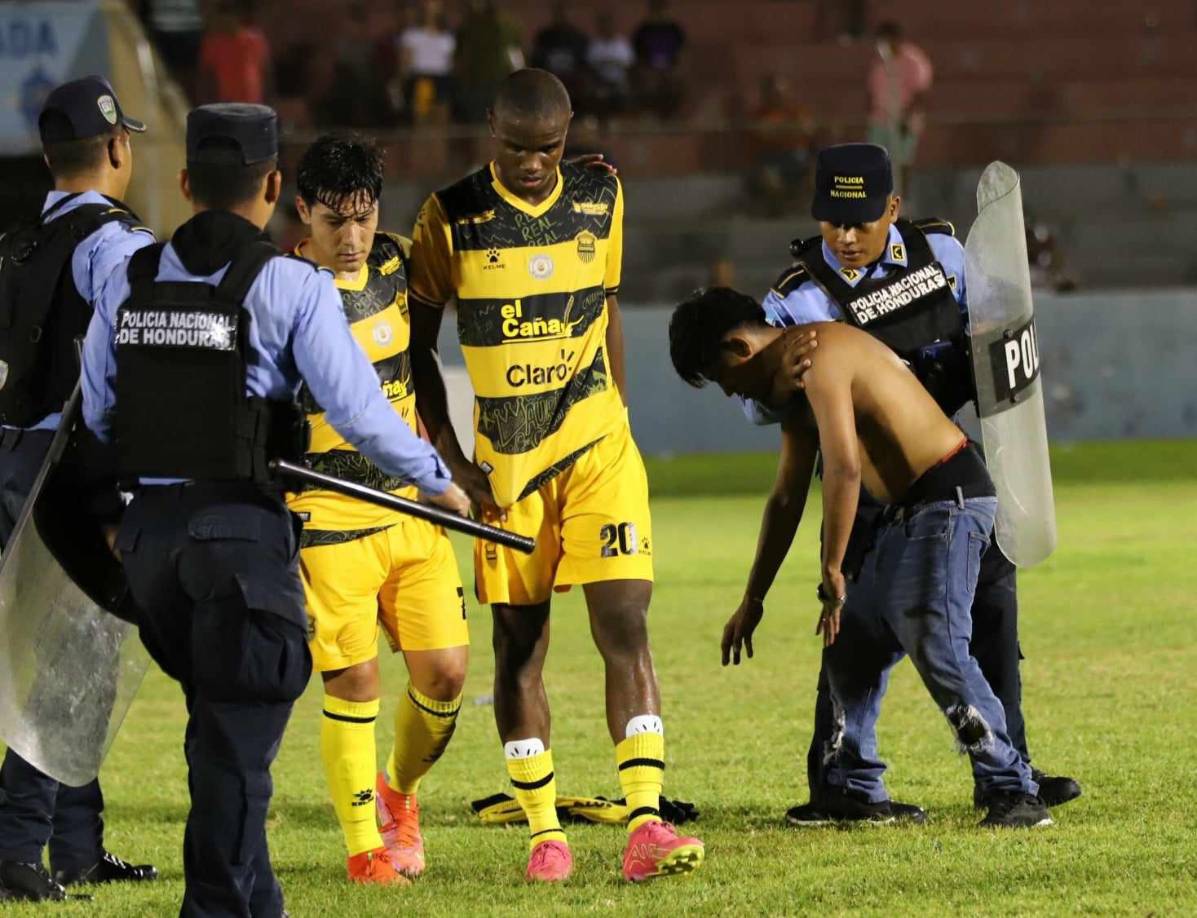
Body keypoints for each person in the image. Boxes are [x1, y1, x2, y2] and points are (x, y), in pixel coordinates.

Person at [80, 102, 469, 916]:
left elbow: (99, 410)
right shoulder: (290, 284)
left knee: (216, 734)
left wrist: (123, 517)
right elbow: (358, 411)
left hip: (152, 545)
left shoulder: (129, 277)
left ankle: (258, 902)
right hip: (240, 538)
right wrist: (437, 478)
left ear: (186, 183)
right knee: (237, 746)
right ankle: (221, 907)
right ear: (272, 188)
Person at [406, 68, 704, 884]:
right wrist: (451, 462)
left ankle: (645, 822)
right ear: (489, 130)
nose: (534, 163)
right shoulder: (449, 215)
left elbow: (605, 306)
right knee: (518, 647)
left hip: (598, 449)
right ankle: (545, 834)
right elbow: (415, 349)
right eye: (516, 148)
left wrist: (621, 415)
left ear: (568, 133)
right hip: (506, 471)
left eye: (548, 147)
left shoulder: (602, 196)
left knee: (625, 624)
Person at [750, 143, 1081, 823]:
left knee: (992, 614)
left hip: (947, 468)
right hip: (868, 484)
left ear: (893, 208)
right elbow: (767, 408)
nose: (845, 237)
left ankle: (1013, 765)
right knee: (852, 629)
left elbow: (994, 350)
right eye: (832, 221)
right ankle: (840, 782)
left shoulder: (945, 256)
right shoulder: (795, 298)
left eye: (861, 221)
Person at [669, 288, 1053, 829]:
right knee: (854, 641)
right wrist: (753, 599)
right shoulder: (792, 380)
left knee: (935, 639)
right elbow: (786, 497)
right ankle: (849, 789)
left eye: (721, 378)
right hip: (905, 513)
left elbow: (844, 467)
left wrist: (832, 569)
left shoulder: (820, 355)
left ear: (739, 348)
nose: (731, 392)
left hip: (948, 498)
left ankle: (1013, 789)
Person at [289, 134, 469, 885]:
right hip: (327, 515)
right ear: (302, 212)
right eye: (335, 221)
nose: (353, 237)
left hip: (409, 510)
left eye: (363, 217)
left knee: (446, 675)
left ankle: (398, 794)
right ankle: (365, 849)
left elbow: (478, 244)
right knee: (354, 682)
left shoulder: (397, 261)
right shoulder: (282, 288)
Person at [0, 75, 158, 903]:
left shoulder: (19, 243)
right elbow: (126, 376)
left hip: (11, 460)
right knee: (70, 659)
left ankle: (77, 846)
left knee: (62, 652)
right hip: (73, 470)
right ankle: (19, 847)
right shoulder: (117, 246)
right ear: (119, 147)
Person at [867, 22, 932, 197]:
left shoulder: (913, 61)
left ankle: (903, 199)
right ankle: (880, 199)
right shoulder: (879, 63)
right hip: (881, 119)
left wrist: (905, 117)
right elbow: (873, 92)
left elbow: (921, 93)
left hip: (905, 120)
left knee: (903, 161)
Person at [197, 0, 272, 105]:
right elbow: (206, 76)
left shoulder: (255, 39)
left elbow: (265, 70)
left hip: (254, 101)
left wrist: (269, 99)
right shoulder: (213, 43)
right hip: (227, 103)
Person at [395, 0, 456, 124]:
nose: (432, 8)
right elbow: (405, 62)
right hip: (422, 79)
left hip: (442, 79)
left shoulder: (447, 36)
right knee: (422, 121)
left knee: (441, 121)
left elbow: (450, 61)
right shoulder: (412, 34)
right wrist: (400, 83)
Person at [530, 2, 592, 111]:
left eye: (564, 13)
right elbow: (537, 61)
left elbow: (584, 62)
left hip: (572, 80)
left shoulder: (578, 38)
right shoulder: (544, 37)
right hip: (550, 79)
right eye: (559, 13)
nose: (562, 16)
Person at [630, 0, 685, 119]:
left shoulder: (675, 30)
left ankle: (671, 115)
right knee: (650, 83)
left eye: (661, 8)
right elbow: (637, 57)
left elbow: (683, 55)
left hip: (671, 69)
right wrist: (647, 71)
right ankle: (651, 114)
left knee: (673, 82)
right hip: (649, 70)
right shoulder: (642, 31)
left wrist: (676, 71)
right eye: (655, 8)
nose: (658, 12)